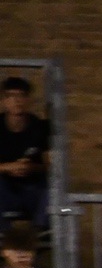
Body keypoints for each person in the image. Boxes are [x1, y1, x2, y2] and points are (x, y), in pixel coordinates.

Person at [0, 78, 51, 228]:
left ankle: (39, 233)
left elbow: (50, 166)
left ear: (29, 100)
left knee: (53, 191)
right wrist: (8, 167)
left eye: (21, 95)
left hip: (33, 188)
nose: (16, 101)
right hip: (4, 189)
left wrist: (31, 168)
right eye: (11, 96)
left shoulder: (40, 127)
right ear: (4, 101)